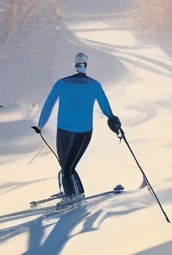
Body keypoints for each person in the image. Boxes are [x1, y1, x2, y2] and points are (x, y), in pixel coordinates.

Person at [33, 52, 121, 200]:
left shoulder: (61, 83)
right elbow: (105, 106)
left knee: (66, 167)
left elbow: (48, 105)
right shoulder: (94, 85)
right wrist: (113, 120)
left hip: (64, 130)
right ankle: (75, 192)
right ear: (86, 65)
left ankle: (72, 196)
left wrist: (40, 126)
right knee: (68, 167)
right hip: (84, 131)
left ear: (75, 64)